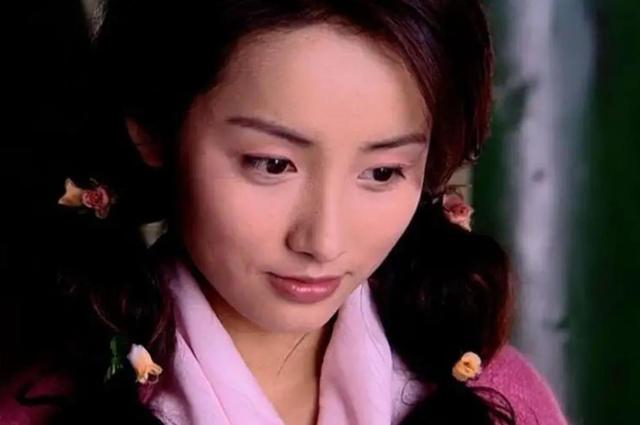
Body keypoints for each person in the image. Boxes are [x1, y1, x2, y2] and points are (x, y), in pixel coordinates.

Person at [0, 0, 569, 424]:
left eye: (382, 172)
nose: (323, 241)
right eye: (272, 164)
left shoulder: (497, 402)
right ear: (154, 128)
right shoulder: (43, 410)